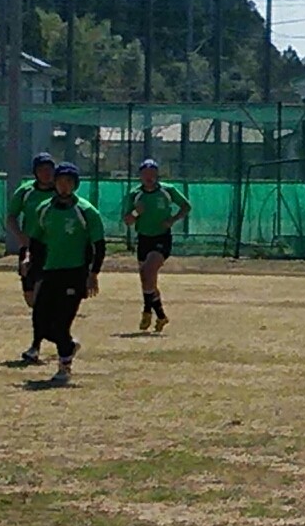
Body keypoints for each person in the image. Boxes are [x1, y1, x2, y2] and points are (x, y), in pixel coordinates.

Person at [29, 162, 106, 384]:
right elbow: (36, 241)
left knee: (61, 323)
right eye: (60, 181)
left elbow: (98, 245)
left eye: (69, 182)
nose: (64, 186)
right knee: (40, 322)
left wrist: (93, 274)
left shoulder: (86, 211)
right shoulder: (44, 209)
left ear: (75, 185)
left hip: (75, 273)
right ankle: (69, 346)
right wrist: (30, 262)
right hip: (51, 271)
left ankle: (64, 367)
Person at [120, 158, 191, 333]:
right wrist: (137, 212)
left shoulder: (168, 191)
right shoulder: (135, 195)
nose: (149, 178)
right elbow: (127, 220)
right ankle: (160, 315)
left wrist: (172, 220)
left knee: (149, 271)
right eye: (145, 174)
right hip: (144, 238)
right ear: (140, 176)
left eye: (152, 174)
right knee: (147, 280)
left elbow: (186, 206)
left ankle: (146, 311)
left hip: (162, 238)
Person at [7, 153, 58, 364]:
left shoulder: (60, 190)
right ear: (35, 172)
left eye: (49, 169)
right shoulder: (26, 191)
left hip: (53, 249)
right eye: (42, 169)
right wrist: (20, 237)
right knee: (31, 299)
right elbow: (11, 216)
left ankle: (35, 347)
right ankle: (59, 335)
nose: (46, 173)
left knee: (40, 299)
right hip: (30, 248)